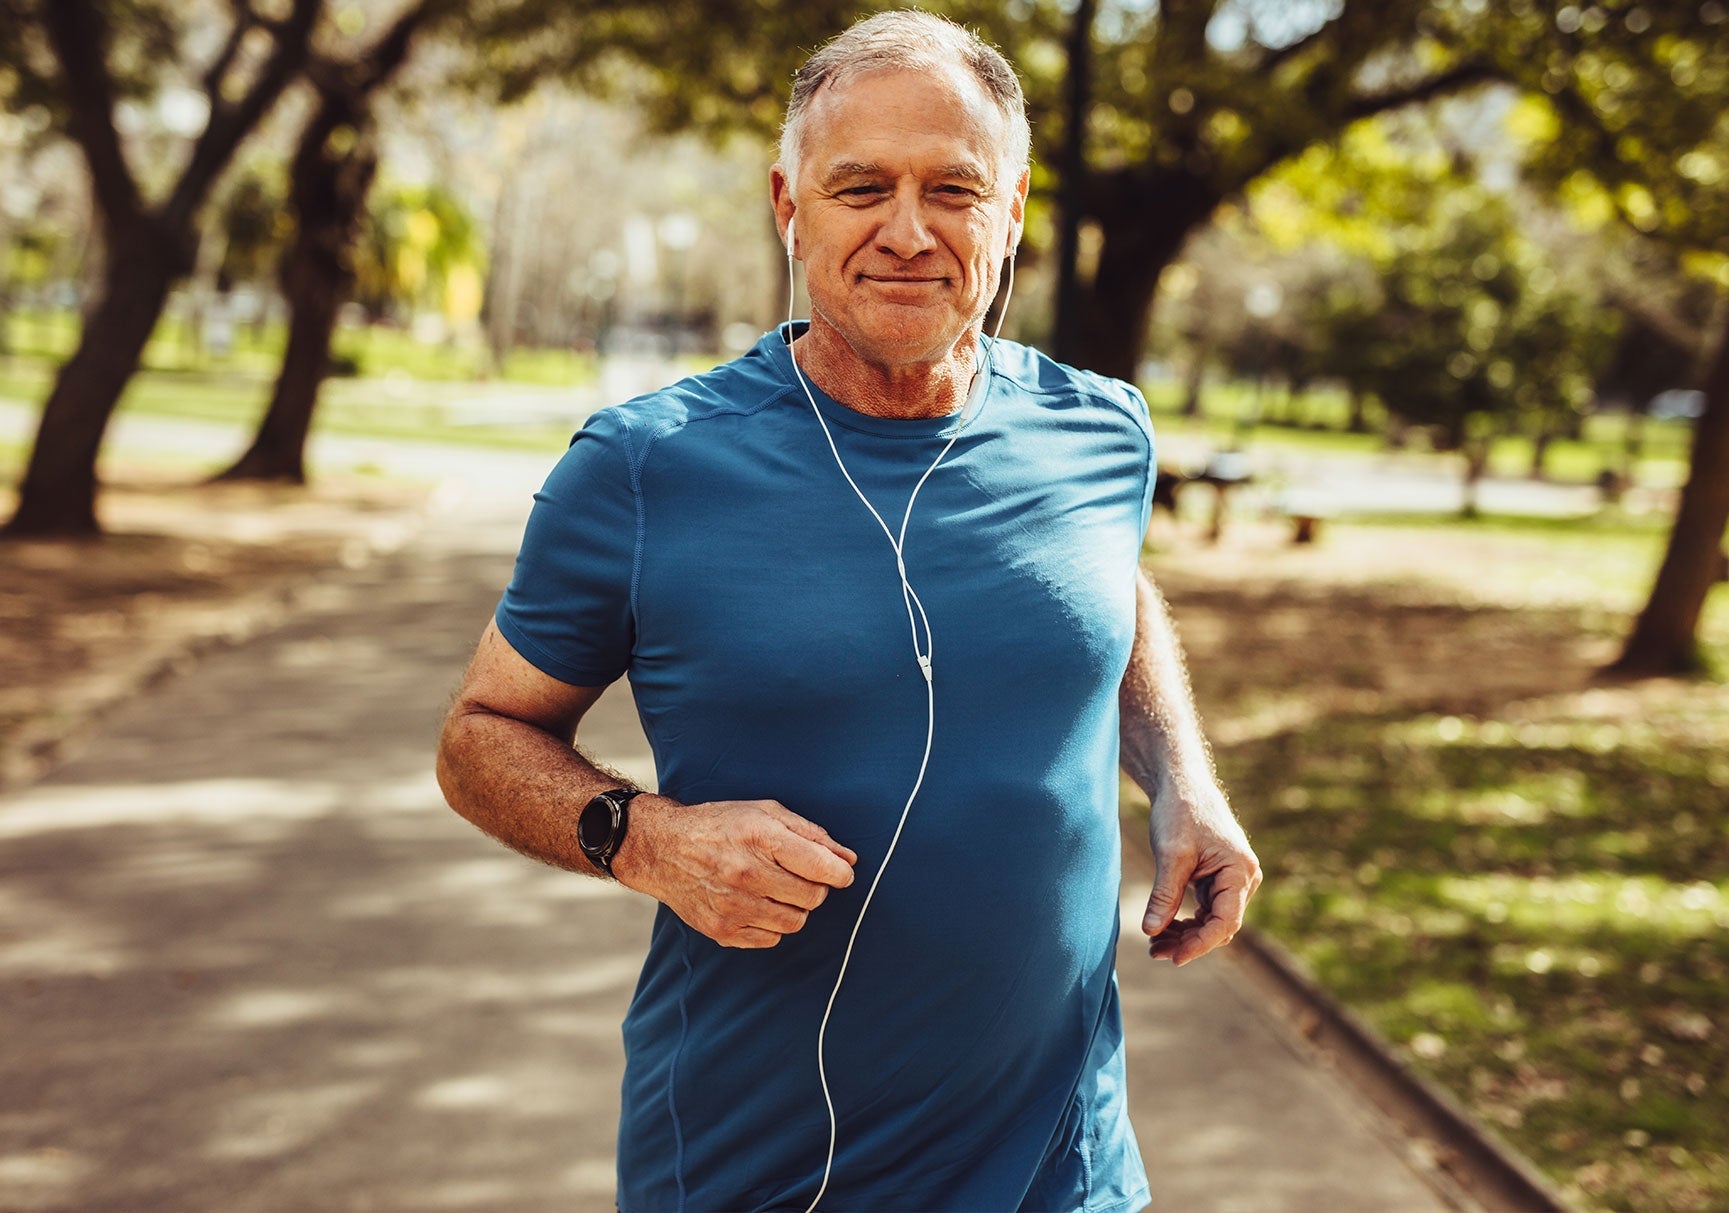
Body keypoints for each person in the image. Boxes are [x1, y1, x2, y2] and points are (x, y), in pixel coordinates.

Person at [436, 11, 1260, 1211]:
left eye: (953, 188)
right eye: (859, 186)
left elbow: (1105, 588)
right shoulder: (646, 464)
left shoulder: (1102, 431)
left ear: (1014, 207)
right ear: (789, 205)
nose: (908, 231)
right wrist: (651, 841)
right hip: (764, 1165)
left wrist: (1184, 775)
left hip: (1069, 1166)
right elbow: (478, 737)